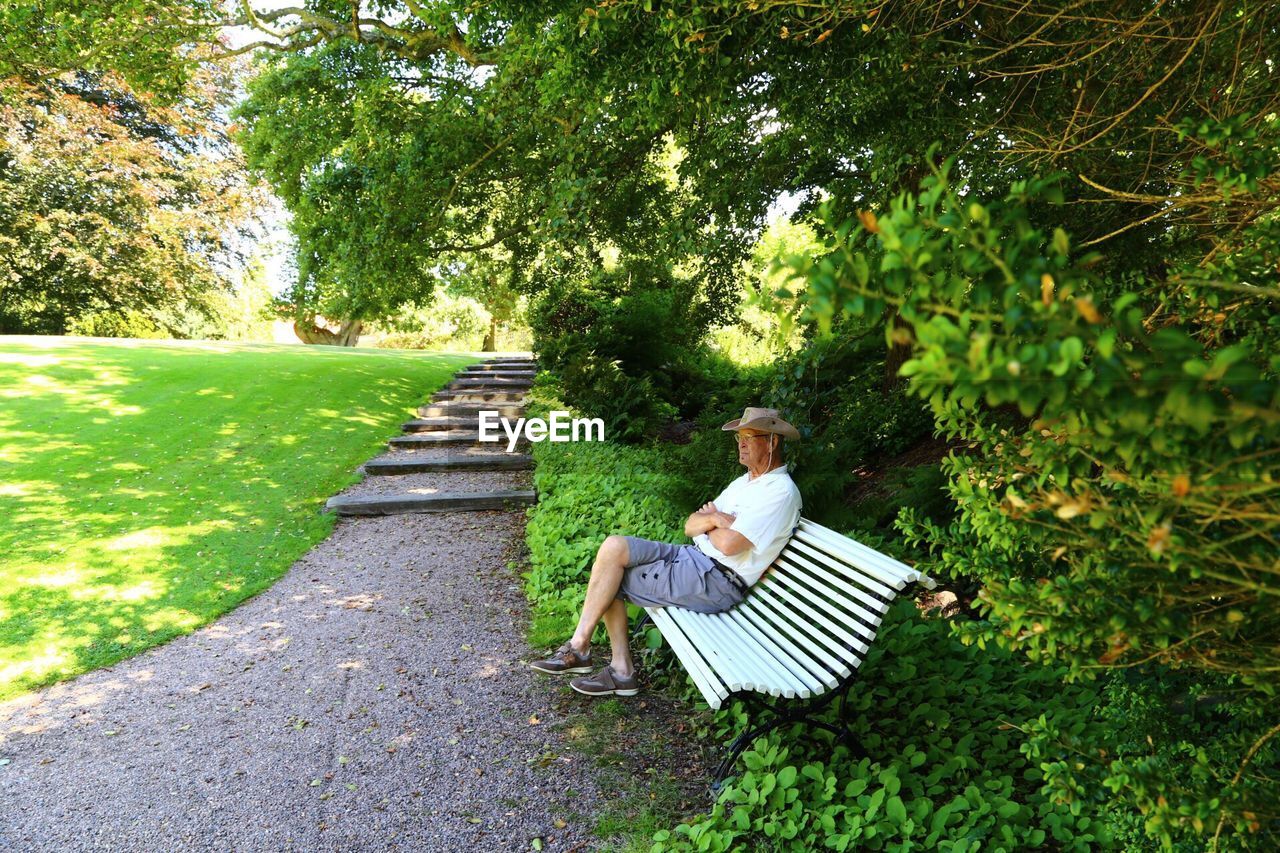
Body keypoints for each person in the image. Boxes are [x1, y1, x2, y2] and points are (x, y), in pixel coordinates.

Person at [529, 406, 803, 697]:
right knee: (614, 547)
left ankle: (613, 667)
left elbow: (729, 545)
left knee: (611, 579)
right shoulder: (743, 483)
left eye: (750, 436)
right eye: (739, 438)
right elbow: (690, 524)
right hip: (694, 559)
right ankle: (583, 648)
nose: (742, 444)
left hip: (716, 580)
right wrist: (716, 520)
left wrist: (711, 523)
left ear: (772, 442)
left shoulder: (779, 492)